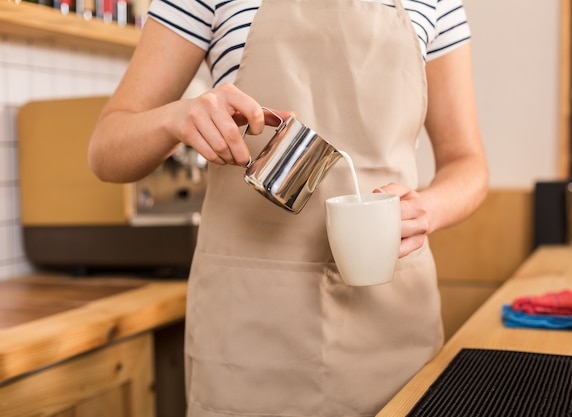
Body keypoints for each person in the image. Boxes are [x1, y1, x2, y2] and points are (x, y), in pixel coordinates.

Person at [88, 0, 488, 415]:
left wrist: (429, 208)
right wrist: (175, 119)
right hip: (247, 330)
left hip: (391, 319)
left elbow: (467, 162)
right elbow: (105, 151)